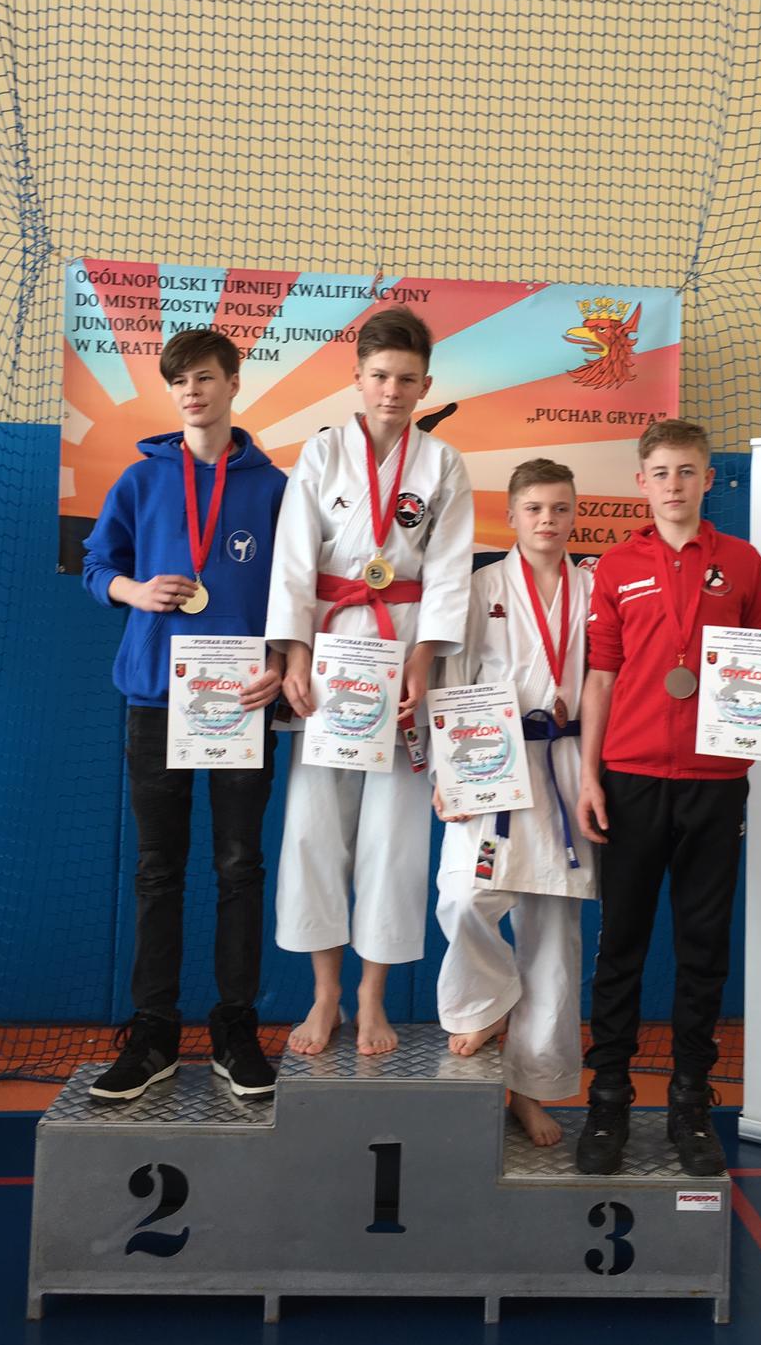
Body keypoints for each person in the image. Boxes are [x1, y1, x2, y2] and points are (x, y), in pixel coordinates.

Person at [575, 419, 761, 1174]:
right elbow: (601, 678)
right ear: (641, 483)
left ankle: (690, 1102)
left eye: (686, 471)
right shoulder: (616, 566)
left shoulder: (741, 561)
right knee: (621, 947)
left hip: (716, 782)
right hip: (631, 779)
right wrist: (589, 775)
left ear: (708, 479)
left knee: (703, 948)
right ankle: (608, 1099)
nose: (673, 484)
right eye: (660, 472)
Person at [83, 329, 287, 1100]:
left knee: (239, 866)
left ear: (233, 382)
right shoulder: (141, 479)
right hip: (156, 697)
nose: (191, 392)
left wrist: (281, 662)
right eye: (178, 382)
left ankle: (236, 1028)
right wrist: (135, 591)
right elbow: (98, 567)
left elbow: (295, 591)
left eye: (204, 377)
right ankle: (154, 1032)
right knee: (157, 868)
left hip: (241, 698)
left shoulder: (274, 488)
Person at [266, 307, 472, 1056]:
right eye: (380, 376)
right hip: (329, 655)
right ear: (357, 378)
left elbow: (449, 569)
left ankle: (371, 997)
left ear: (425, 386)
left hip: (404, 649)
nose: (392, 390)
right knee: (314, 829)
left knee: (395, 835)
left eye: (406, 379)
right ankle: (325, 995)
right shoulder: (321, 454)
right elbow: (293, 559)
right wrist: (293, 654)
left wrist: (424, 658)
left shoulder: (442, 463)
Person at [434, 459, 597, 1146]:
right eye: (534, 509)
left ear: (574, 514)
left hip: (567, 764)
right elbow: (453, 678)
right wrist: (447, 773)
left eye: (559, 508)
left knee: (554, 942)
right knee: (464, 897)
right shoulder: (483, 587)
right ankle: (486, 1000)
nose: (547, 521)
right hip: (491, 762)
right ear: (512, 516)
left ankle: (531, 1092)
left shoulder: (595, 587)